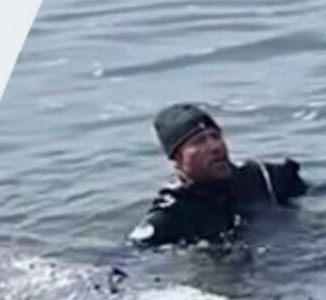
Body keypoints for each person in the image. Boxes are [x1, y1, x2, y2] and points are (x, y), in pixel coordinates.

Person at [131, 103, 308, 248]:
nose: (215, 147)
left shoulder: (264, 178)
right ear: (177, 158)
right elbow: (130, 257)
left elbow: (322, 203)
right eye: (199, 141)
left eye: (215, 136)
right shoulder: (172, 213)